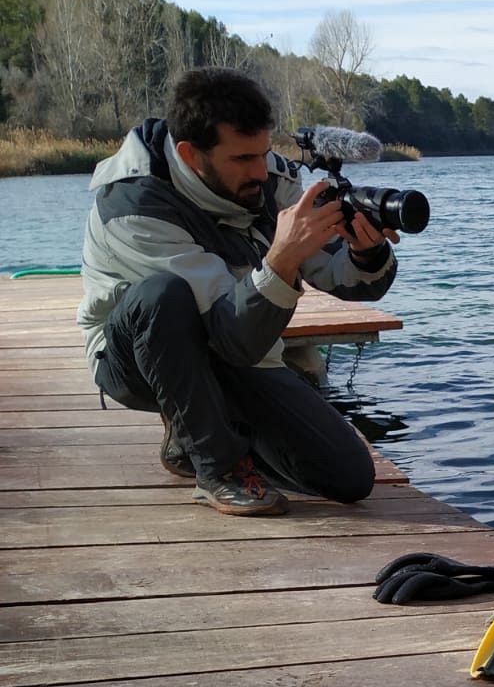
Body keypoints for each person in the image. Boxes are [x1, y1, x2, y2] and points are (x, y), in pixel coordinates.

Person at [78, 66, 399, 516]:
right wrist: (280, 259)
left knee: (348, 476)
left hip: (237, 344)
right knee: (162, 296)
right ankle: (218, 467)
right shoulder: (134, 205)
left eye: (264, 154)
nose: (260, 172)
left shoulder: (271, 178)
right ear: (191, 155)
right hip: (139, 358)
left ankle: (195, 435)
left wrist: (366, 253)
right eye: (242, 160)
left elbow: (331, 271)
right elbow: (228, 336)